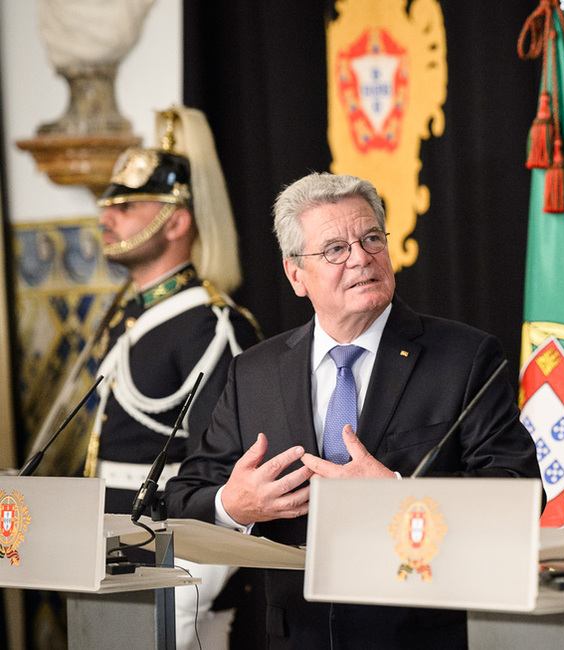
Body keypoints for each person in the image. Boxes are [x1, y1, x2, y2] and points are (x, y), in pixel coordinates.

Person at [164, 171, 542, 649]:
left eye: (370, 239)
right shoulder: (253, 373)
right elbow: (183, 498)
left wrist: (400, 497)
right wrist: (234, 506)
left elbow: (520, 492)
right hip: (295, 637)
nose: (361, 257)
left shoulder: (465, 358)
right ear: (295, 274)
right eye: (335, 249)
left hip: (421, 636)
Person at [89, 106, 262, 650]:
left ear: (177, 220)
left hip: (175, 580)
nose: (106, 218)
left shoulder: (213, 326)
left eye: (126, 205)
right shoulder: (132, 317)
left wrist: (185, 596)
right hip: (117, 566)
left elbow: (222, 476)